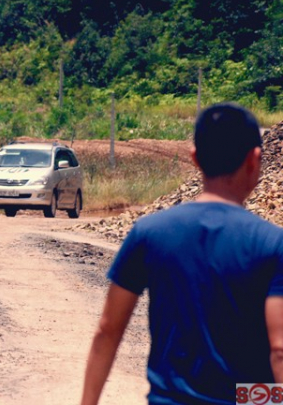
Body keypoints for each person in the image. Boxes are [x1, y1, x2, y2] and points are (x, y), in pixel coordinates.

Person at [81, 103, 283, 404]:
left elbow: (108, 330)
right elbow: (279, 347)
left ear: (195, 158)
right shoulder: (272, 243)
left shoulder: (150, 232)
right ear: (255, 160)